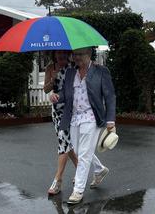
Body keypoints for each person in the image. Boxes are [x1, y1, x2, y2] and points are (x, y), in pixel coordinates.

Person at [49, 47, 116, 205]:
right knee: (78, 151)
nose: (76, 58)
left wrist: (111, 119)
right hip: (74, 118)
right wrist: (55, 97)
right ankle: (99, 170)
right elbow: (66, 94)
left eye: (80, 54)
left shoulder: (100, 71)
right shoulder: (71, 72)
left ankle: (78, 190)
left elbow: (110, 95)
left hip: (92, 116)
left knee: (84, 155)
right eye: (75, 54)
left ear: (89, 55)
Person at [45, 51, 79, 195]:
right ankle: (80, 169)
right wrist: (51, 83)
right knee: (65, 142)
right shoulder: (50, 67)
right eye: (59, 57)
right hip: (56, 110)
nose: (62, 60)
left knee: (63, 140)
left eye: (64, 57)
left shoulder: (73, 67)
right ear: (55, 55)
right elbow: (46, 89)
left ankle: (58, 180)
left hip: (70, 109)